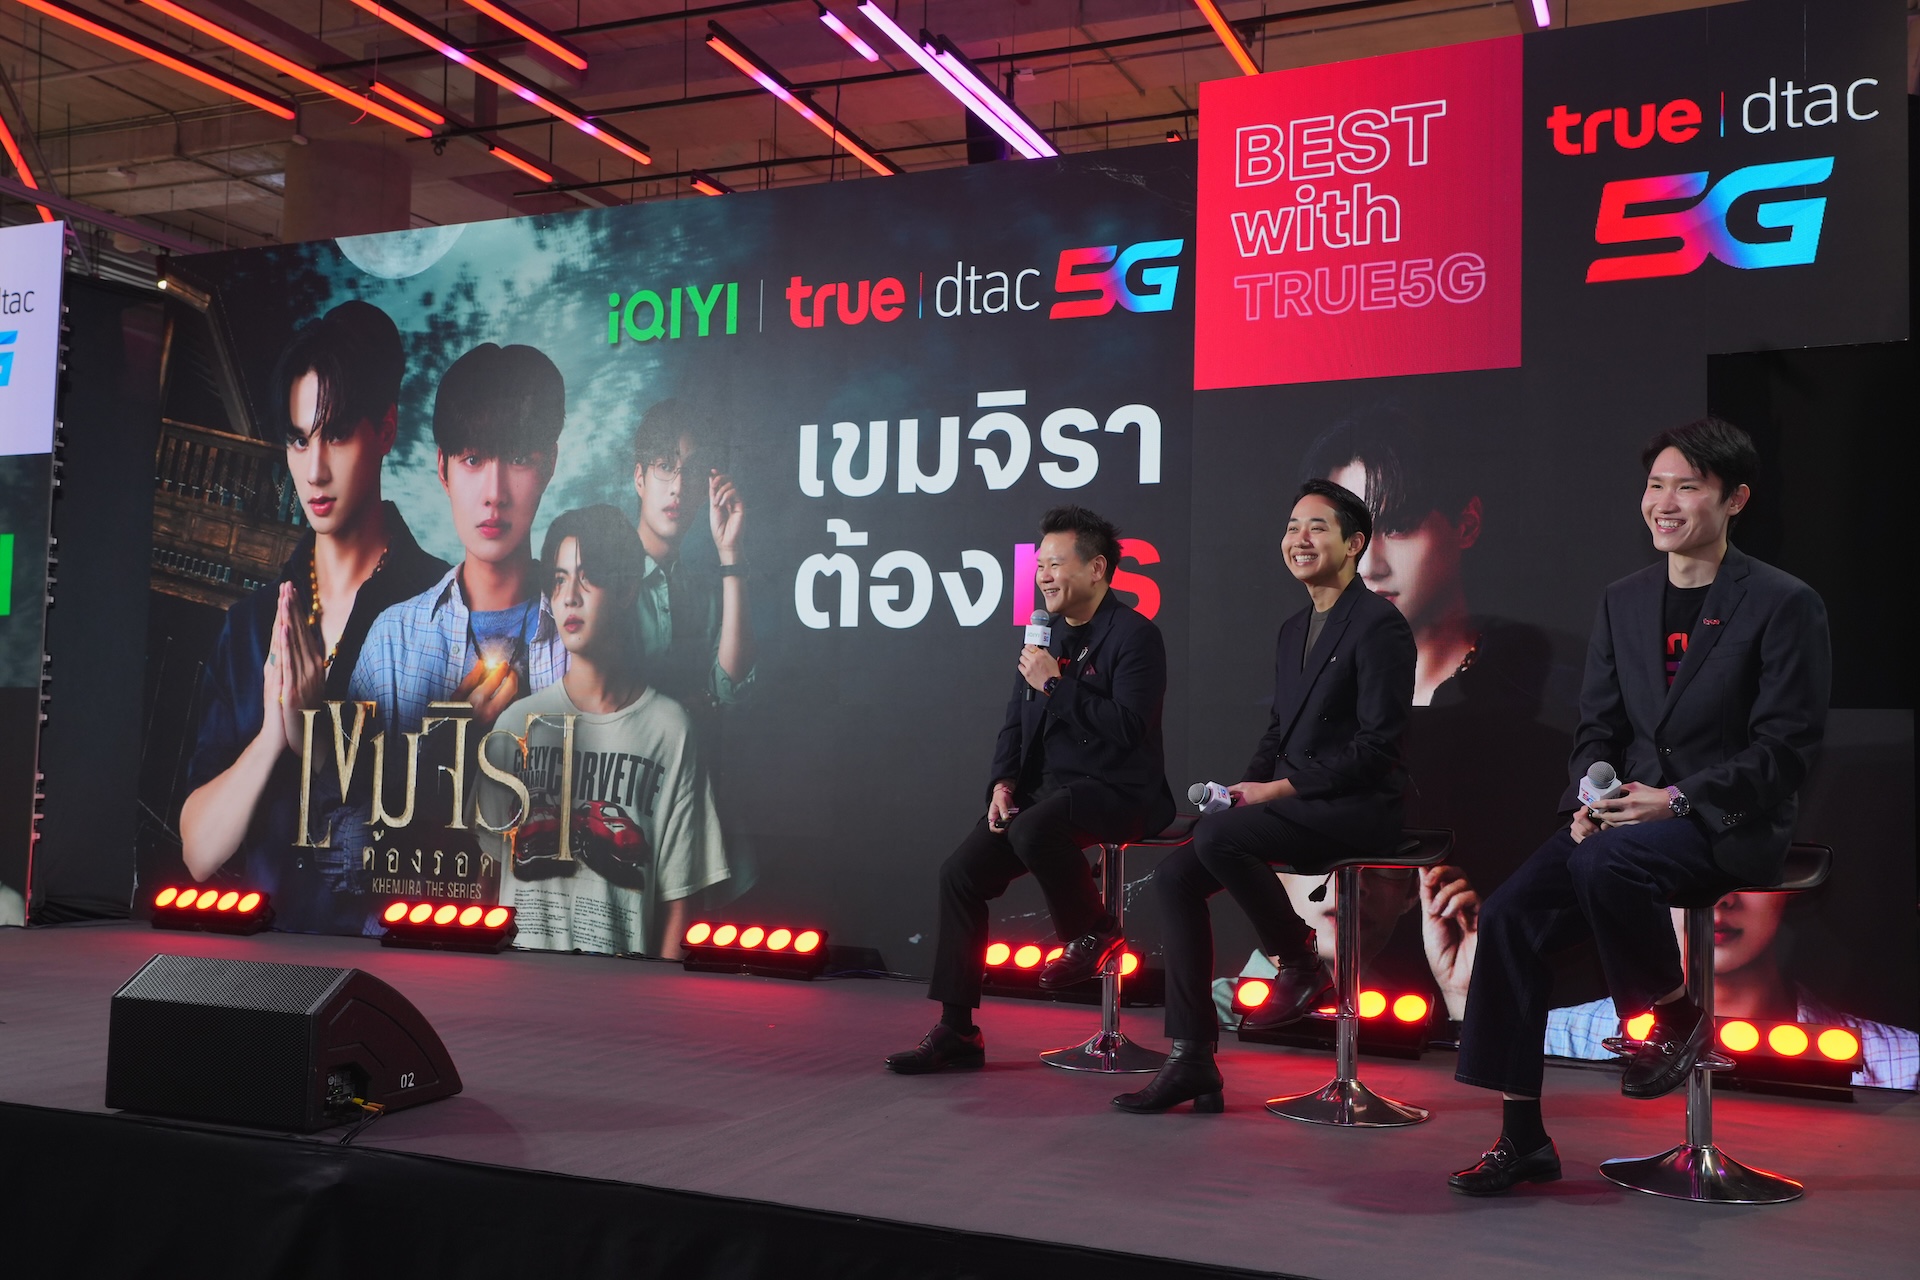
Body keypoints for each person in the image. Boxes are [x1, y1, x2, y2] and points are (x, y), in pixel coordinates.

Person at [1449, 417, 1831, 1196]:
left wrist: (1679, 799)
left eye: (1688, 487)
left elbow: (1786, 749)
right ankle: (1523, 1138)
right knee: (1513, 914)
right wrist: (1590, 797)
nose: (1665, 502)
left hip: (1727, 823)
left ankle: (1669, 1015)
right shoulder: (1624, 600)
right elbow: (1598, 727)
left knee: (1608, 862)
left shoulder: (1783, 602)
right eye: (1656, 485)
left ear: (1735, 499)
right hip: (1624, 825)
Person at [1117, 479, 1415, 1113]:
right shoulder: (1293, 628)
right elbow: (1279, 731)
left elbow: (1377, 749)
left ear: (1354, 544)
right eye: (1291, 527)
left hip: (1358, 809)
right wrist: (1241, 790)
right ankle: (1192, 1059)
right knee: (1175, 876)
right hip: (1300, 803)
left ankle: (1300, 961)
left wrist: (1276, 789)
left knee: (1218, 840)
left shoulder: (1379, 625)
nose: (1298, 539)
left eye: (1316, 527)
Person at [177, 301, 447, 933]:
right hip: (264, 961)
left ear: (385, 430)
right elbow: (197, 853)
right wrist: (273, 738)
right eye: (299, 439)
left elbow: (455, 841)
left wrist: (319, 740)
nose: (315, 469)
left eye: (337, 434)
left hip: (403, 961)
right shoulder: (252, 627)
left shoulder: (444, 607)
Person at [885, 505, 1175, 1075]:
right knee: (959, 874)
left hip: (1119, 790)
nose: (1043, 576)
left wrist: (1055, 684)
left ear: (1097, 568)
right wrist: (1003, 782)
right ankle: (957, 1029)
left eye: (1055, 564)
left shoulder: (1136, 636)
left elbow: (1127, 729)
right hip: (1047, 795)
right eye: (1039, 565)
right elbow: (1015, 722)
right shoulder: (1044, 636)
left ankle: (1094, 932)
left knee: (1036, 828)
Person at [480, 506, 730, 958]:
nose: (569, 597)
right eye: (559, 580)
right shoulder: (515, 725)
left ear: (628, 589)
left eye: (587, 577)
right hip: (515, 987)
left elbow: (680, 902)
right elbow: (484, 880)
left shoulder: (669, 730)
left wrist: (655, 998)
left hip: (621, 991)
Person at [350, 342, 569, 742]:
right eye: (472, 459)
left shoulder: (587, 638)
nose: (494, 494)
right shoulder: (393, 643)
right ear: (443, 469)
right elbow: (348, 783)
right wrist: (443, 749)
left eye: (518, 458)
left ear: (550, 464)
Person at [1545, 889, 1919, 1091]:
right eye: (1684, 868)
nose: (1719, 897)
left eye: (1747, 868)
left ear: (1791, 883)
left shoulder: (1906, 1065)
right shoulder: (1554, 1039)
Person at [1301, 408, 1482, 706]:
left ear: (1467, 526)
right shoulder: (1303, 705)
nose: (1368, 566)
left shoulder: (1536, 696)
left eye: (1398, 527)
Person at [629, 400, 753, 710]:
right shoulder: (601, 578)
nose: (679, 486)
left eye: (692, 472)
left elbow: (731, 691)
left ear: (705, 491)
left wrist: (730, 552)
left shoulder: (707, 596)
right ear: (640, 478)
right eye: (665, 466)